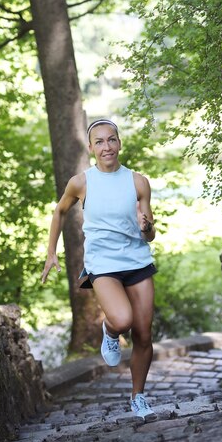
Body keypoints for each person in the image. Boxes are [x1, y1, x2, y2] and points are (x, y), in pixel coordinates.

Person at [41, 118, 157, 421]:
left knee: (144, 335)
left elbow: (149, 233)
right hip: (102, 265)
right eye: (100, 142)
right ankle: (109, 330)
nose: (107, 147)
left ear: (119, 142)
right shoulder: (81, 182)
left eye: (112, 140)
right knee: (122, 318)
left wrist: (147, 226)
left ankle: (138, 397)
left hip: (137, 262)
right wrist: (51, 251)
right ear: (91, 148)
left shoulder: (138, 181)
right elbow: (60, 210)